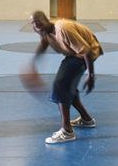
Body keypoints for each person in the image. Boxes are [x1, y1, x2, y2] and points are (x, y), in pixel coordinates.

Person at [29, 10, 103, 144]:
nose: (36, 25)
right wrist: (33, 63)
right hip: (75, 54)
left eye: (38, 21)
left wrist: (91, 76)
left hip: (86, 54)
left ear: (46, 20)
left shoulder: (62, 28)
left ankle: (67, 131)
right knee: (69, 86)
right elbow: (44, 44)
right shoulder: (45, 31)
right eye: (33, 23)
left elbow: (85, 51)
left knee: (60, 85)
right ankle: (86, 119)